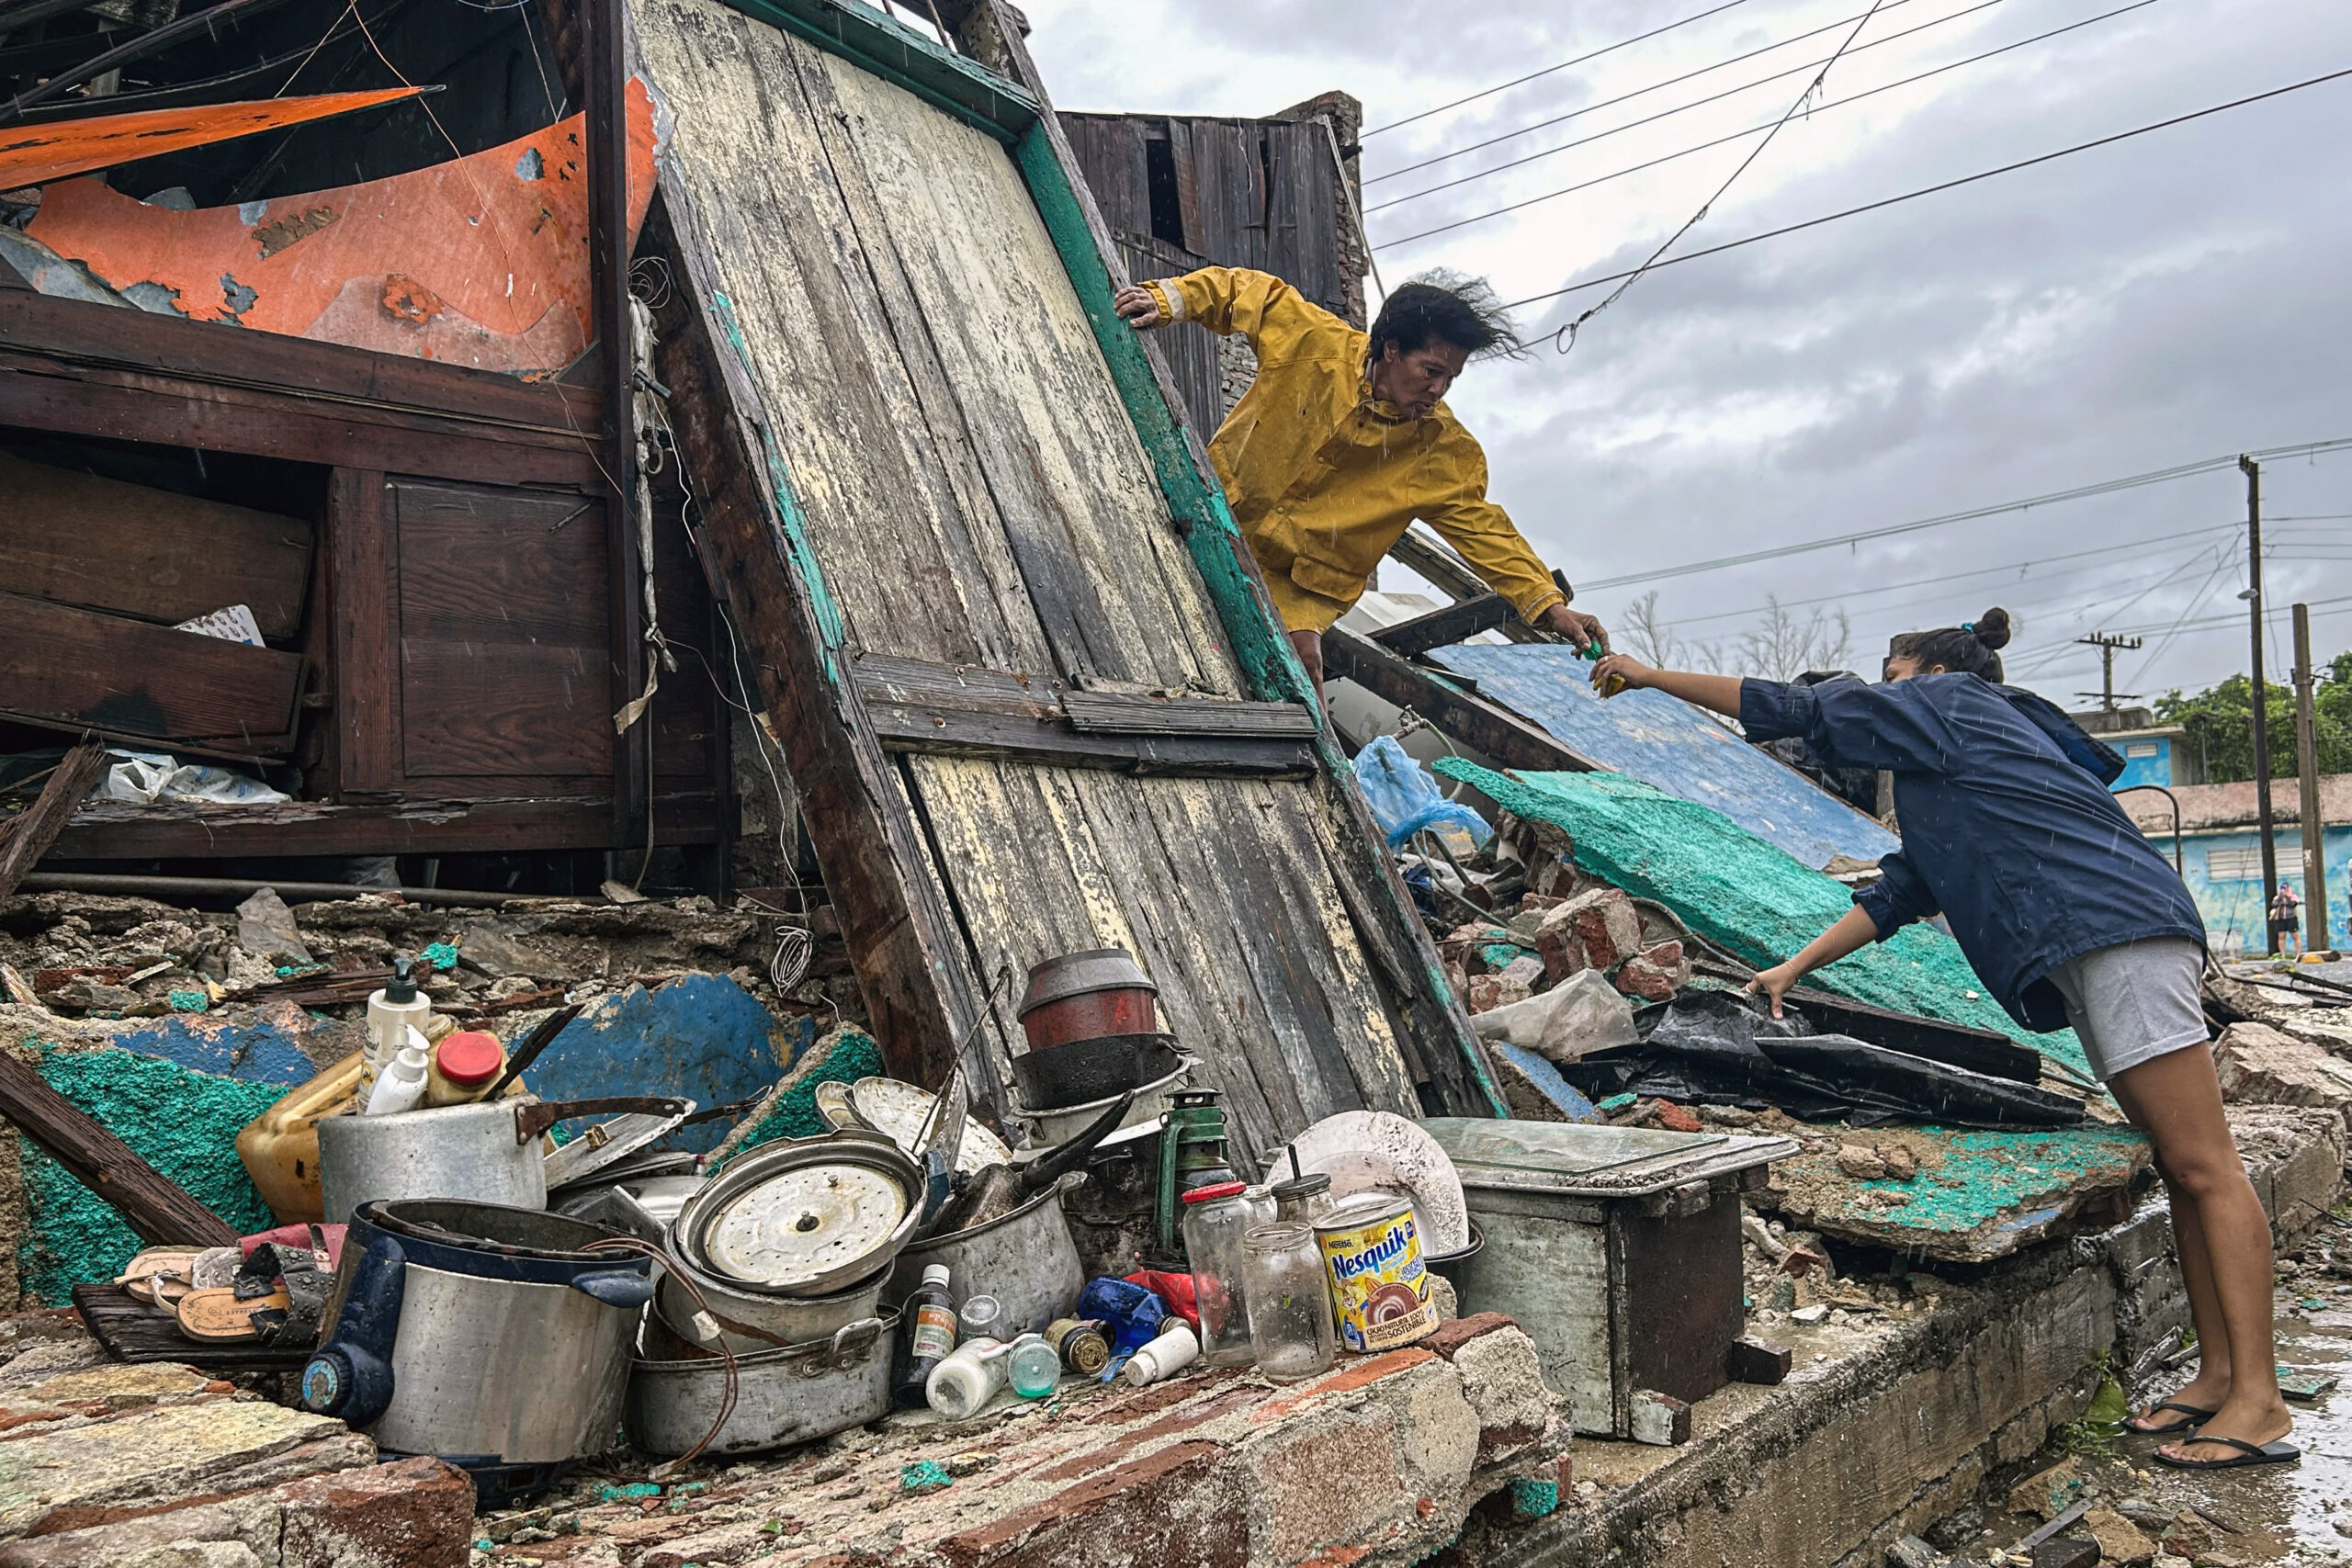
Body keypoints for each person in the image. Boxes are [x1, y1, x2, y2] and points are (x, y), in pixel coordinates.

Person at [1590, 609, 2298, 1472]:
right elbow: (1899, 894)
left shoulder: (1950, 702)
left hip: (2117, 934)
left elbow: (1800, 708)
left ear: (1927, 673)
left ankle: (2260, 1400)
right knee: (2183, 1167)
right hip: (2090, 942)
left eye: (1889, 674)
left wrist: (1650, 676)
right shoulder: (1957, 766)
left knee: (2207, 1165)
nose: (1878, 692)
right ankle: (2220, 1374)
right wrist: (1792, 967)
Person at [1113, 266, 1607, 696]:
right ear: (1391, 349)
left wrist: (1549, 605)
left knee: (1301, 667)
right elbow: (1246, 291)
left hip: (1297, 581)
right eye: (1431, 371)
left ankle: (1311, 768)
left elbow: (1487, 532)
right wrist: (1169, 299)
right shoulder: (1314, 344)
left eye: (1450, 378)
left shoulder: (1442, 451)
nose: (1438, 389)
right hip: (1220, 509)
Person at [2268, 882, 2302, 956]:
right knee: (2281, 936)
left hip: (2291, 918)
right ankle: (2283, 954)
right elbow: (2274, 904)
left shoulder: (2293, 896)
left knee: (2295, 935)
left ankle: (2298, 953)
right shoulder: (2277, 898)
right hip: (2280, 919)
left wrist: (2287, 896)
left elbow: (2293, 904)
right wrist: (2281, 897)